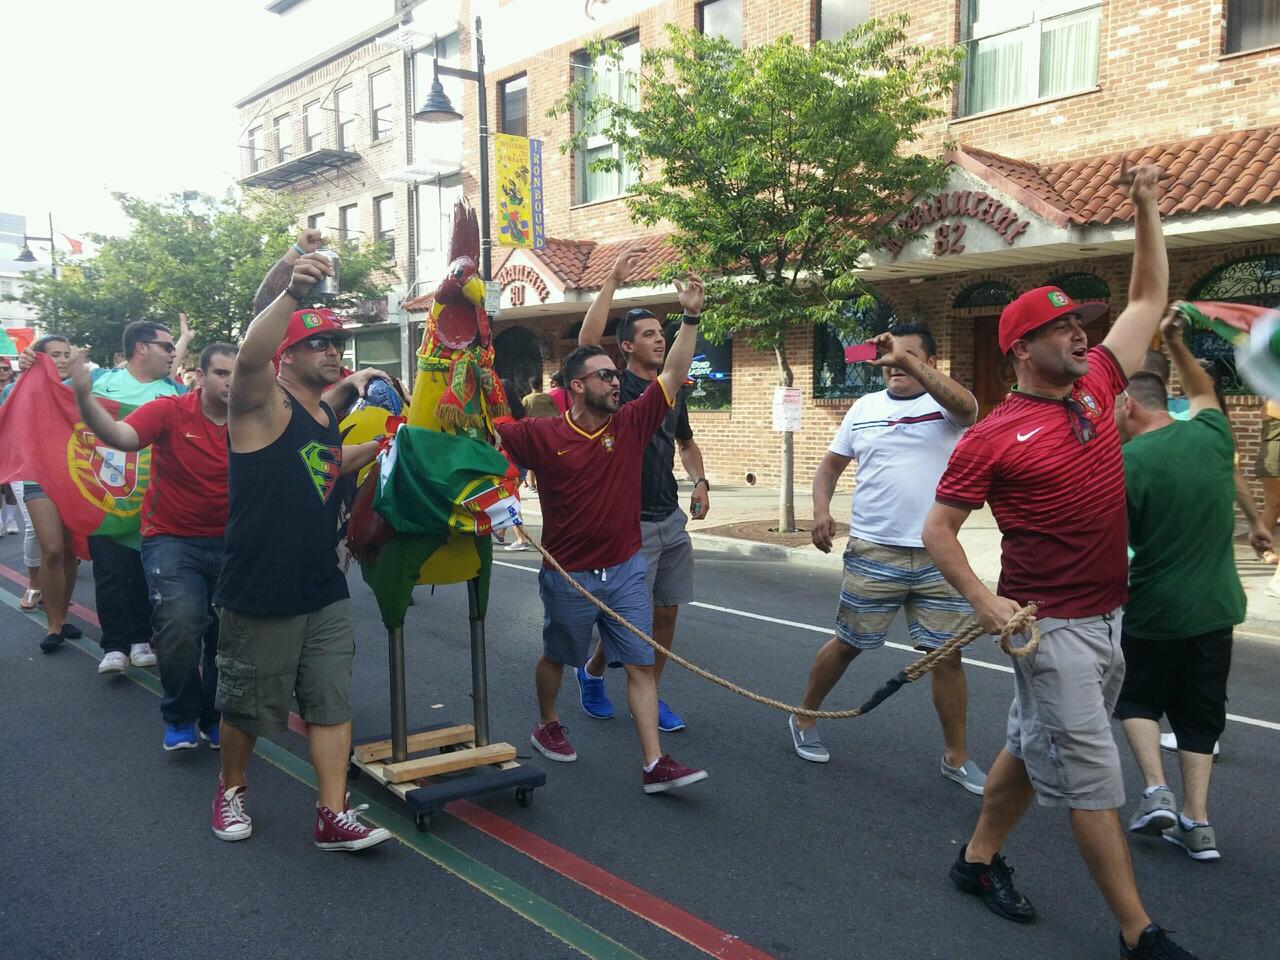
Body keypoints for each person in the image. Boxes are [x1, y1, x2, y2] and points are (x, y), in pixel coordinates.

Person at [923, 164, 1205, 959]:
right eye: (1063, 329)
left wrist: (1148, 206)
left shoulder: (1098, 384)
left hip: (1109, 615)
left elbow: (1148, 296)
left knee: (1032, 744)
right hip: (1051, 630)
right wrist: (983, 602)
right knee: (1091, 777)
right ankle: (1137, 933)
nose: (1084, 334)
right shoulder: (992, 436)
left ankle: (977, 863)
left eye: (1083, 324)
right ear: (1021, 348)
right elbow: (940, 529)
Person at [496, 274, 709, 795]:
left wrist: (692, 317)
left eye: (617, 376)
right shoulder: (541, 434)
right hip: (568, 575)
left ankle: (654, 763)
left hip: (627, 569)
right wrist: (499, 499)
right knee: (559, 656)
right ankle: (547, 720)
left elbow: (675, 372)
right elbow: (485, 441)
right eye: (604, 377)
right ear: (575, 387)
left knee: (640, 665)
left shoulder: (631, 424)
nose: (616, 383)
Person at [211, 252, 388, 851]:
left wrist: (388, 441)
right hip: (262, 585)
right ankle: (231, 788)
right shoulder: (258, 403)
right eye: (319, 344)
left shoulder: (324, 414)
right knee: (247, 708)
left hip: (323, 586)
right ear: (287, 355)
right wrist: (290, 290)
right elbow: (252, 354)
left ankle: (332, 813)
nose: (333, 351)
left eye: (337, 343)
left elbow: (330, 467)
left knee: (331, 703)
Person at [789, 323, 986, 795]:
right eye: (891, 355)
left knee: (946, 656)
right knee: (848, 643)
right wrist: (821, 511)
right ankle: (803, 717)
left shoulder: (947, 406)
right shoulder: (863, 408)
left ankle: (956, 756)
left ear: (929, 364)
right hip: (874, 547)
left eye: (910, 356)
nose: (895, 364)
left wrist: (905, 357)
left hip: (940, 554)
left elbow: (969, 409)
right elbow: (830, 468)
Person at [1113, 308, 1248, 863]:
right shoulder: (1213, 436)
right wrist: (1174, 341)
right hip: (1216, 609)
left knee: (1138, 700)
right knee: (1200, 717)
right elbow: (1202, 389)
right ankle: (1199, 822)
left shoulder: (1124, 464)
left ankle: (1155, 791)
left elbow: (1113, 544)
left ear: (1128, 405)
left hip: (1154, 607)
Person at [69, 342, 239, 752]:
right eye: (221, 373)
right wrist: (83, 396)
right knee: (180, 626)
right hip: (172, 539)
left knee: (226, 637)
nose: (231, 381)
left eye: (238, 373)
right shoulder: (170, 409)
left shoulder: (254, 416)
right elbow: (120, 436)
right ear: (199, 377)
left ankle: (214, 716)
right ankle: (180, 715)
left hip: (234, 542)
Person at [572, 248, 712, 732]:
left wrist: (700, 480)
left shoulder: (671, 393)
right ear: (626, 348)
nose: (659, 340)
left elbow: (686, 441)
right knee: (625, 620)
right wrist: (610, 278)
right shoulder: (613, 389)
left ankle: (653, 690)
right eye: (649, 334)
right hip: (626, 522)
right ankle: (592, 674)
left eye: (662, 333)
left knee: (666, 613)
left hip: (668, 517)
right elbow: (588, 340)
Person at [85, 318, 193, 675]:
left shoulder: (176, 393)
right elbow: (54, 403)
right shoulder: (101, 382)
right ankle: (114, 645)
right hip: (105, 499)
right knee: (110, 573)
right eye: (166, 346)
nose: (173, 352)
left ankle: (140, 639)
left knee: (147, 575)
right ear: (140, 348)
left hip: (157, 503)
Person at [7, 336, 83, 651]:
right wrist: (23, 372)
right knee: (51, 549)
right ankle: (53, 625)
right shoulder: (20, 388)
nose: (63, 359)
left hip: (76, 480)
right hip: (37, 479)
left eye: (67, 354)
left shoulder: (80, 389)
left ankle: (62, 618)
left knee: (69, 551)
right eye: (55, 355)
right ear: (38, 358)